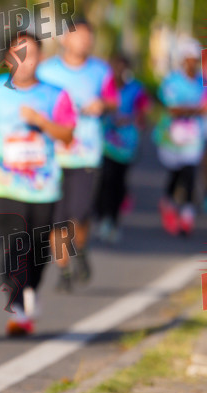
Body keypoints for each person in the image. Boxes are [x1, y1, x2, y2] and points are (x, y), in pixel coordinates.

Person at [0, 30, 76, 336]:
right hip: (5, 183)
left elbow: (68, 134)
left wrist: (41, 121)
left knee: (39, 246)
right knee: (14, 244)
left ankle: (31, 290)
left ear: (41, 57)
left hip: (44, 186)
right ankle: (17, 305)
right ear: (7, 59)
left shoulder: (56, 94)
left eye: (31, 54)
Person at [36, 18, 117, 290]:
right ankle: (64, 272)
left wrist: (102, 104)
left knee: (80, 214)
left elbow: (113, 101)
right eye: (78, 36)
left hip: (86, 154)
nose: (84, 42)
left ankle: (80, 249)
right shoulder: (46, 70)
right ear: (65, 39)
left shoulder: (101, 71)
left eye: (88, 37)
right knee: (56, 218)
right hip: (52, 154)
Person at [92, 54, 150, 243]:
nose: (118, 72)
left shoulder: (136, 90)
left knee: (119, 183)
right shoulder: (102, 88)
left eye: (122, 68)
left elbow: (144, 113)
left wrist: (132, 120)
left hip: (126, 145)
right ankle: (102, 216)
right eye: (114, 68)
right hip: (103, 142)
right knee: (104, 180)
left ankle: (113, 220)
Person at [154, 36, 207, 236]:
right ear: (182, 60)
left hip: (194, 137)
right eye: (188, 59)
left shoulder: (203, 82)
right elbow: (173, 109)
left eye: (195, 59)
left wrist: (194, 111)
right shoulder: (172, 81)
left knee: (190, 173)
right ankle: (167, 202)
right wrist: (196, 110)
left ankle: (187, 213)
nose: (192, 63)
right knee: (176, 174)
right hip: (172, 137)